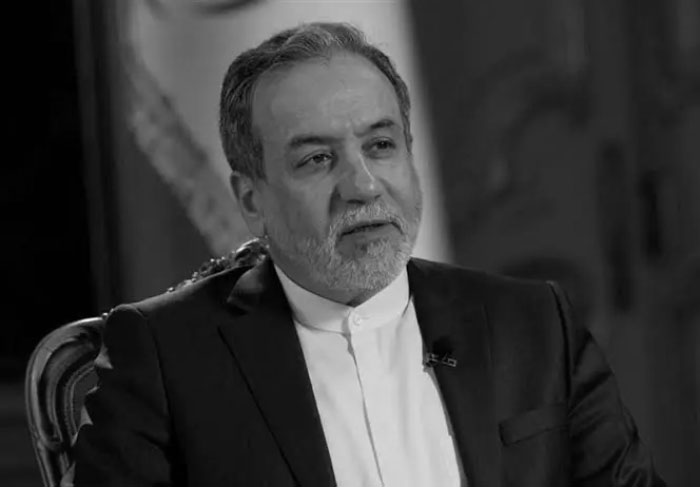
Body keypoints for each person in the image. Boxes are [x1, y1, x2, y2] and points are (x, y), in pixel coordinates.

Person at [71, 22, 665, 487]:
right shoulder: (165, 356)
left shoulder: (534, 324)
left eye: (381, 145)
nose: (363, 185)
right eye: (316, 159)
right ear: (251, 199)